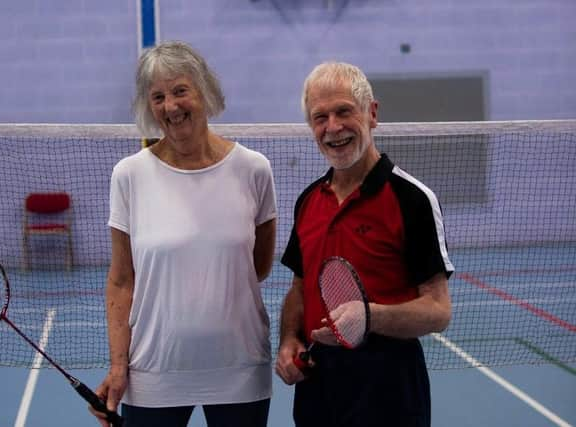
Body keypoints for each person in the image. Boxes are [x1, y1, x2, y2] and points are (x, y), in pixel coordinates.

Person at [90, 40, 277, 427]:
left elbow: (257, 267)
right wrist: (118, 367)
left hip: (240, 372)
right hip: (153, 374)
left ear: (204, 92)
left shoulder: (254, 169)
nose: (170, 107)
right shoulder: (129, 175)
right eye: (157, 96)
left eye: (180, 91)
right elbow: (121, 282)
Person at [275, 62, 454, 427]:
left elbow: (438, 311)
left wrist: (369, 317)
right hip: (318, 387)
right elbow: (298, 288)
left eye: (344, 111)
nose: (333, 127)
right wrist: (289, 340)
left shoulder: (413, 199)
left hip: (390, 391)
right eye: (319, 117)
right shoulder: (308, 201)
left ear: (371, 114)